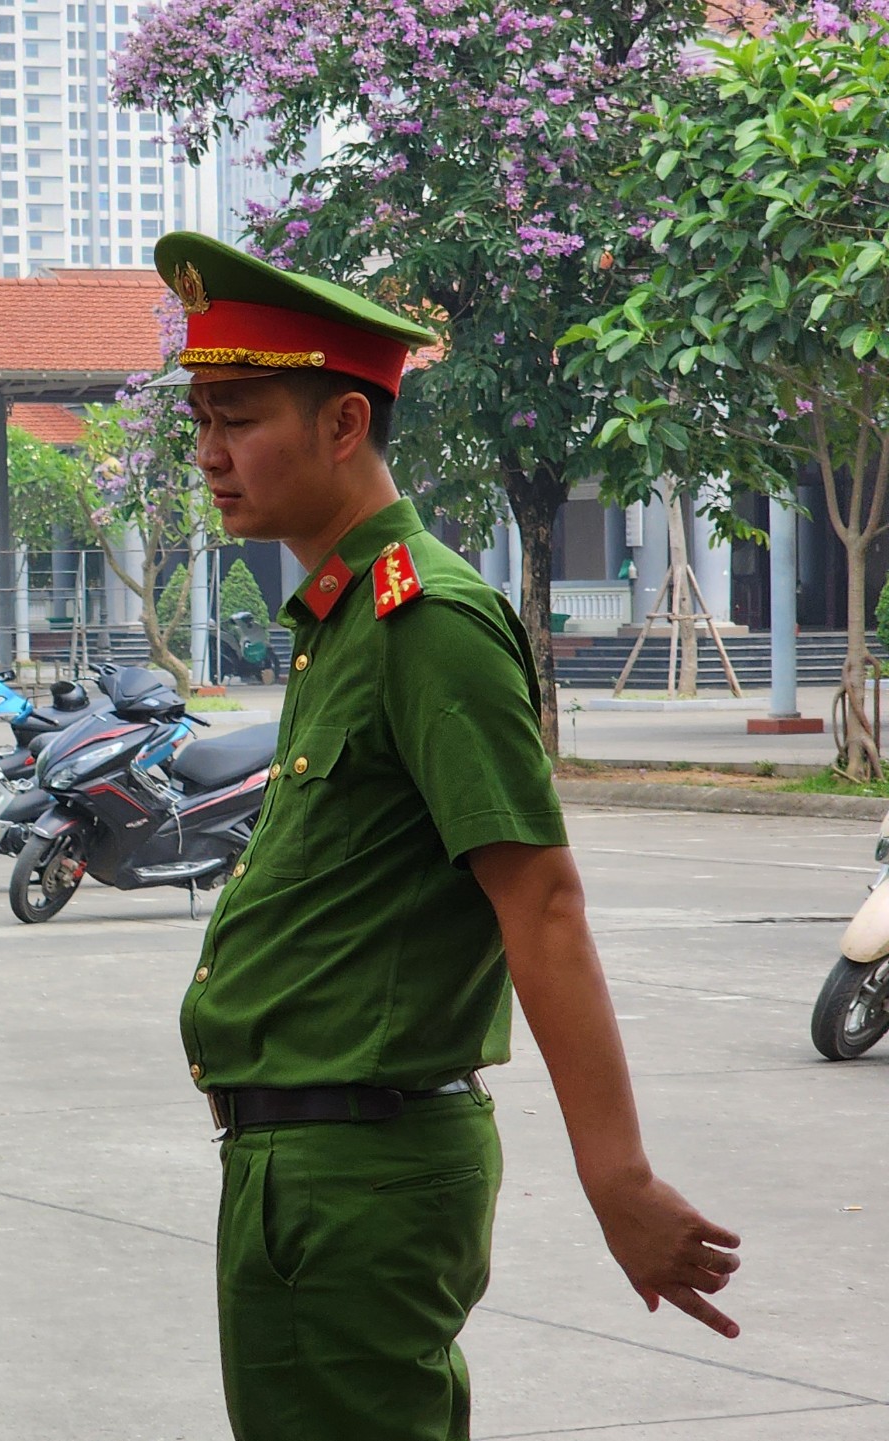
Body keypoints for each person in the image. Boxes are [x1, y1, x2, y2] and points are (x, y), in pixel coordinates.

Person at [148, 231, 744, 1440]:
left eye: (241, 415)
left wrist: (616, 1178)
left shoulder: (428, 622)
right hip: (305, 1160)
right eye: (199, 419)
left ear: (342, 428)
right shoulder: (343, 618)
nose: (209, 453)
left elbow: (542, 903)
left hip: (354, 1168)